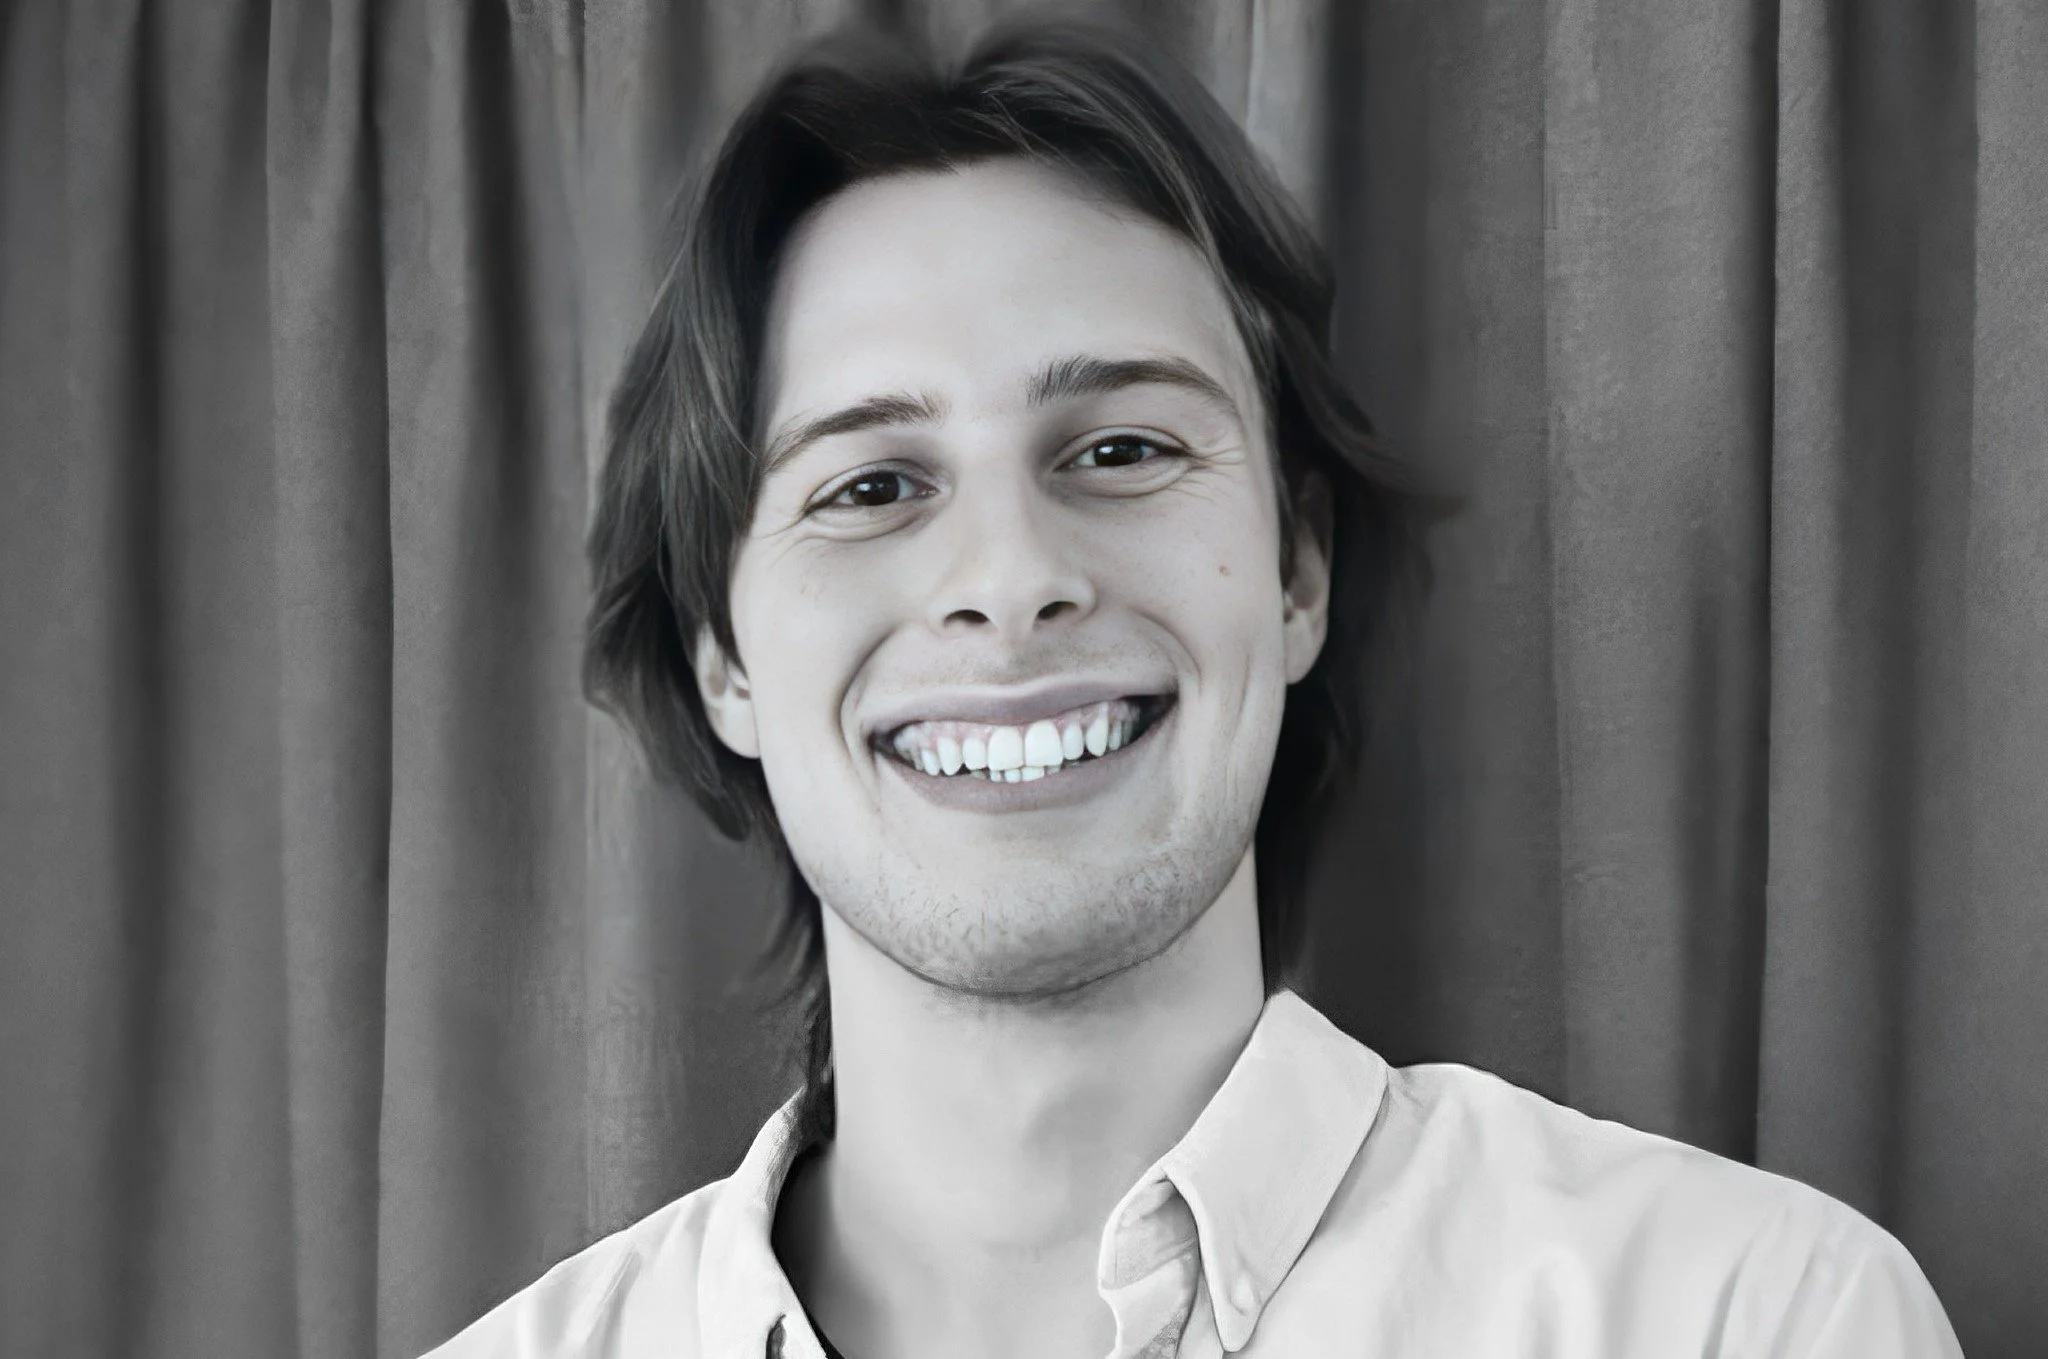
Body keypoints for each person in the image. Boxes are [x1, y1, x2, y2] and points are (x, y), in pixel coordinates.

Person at [424, 11, 1961, 1358]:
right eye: (872, 485)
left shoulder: (1750, 1318)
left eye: (1121, 449)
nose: (1011, 574)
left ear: (1298, 570)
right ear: (723, 656)